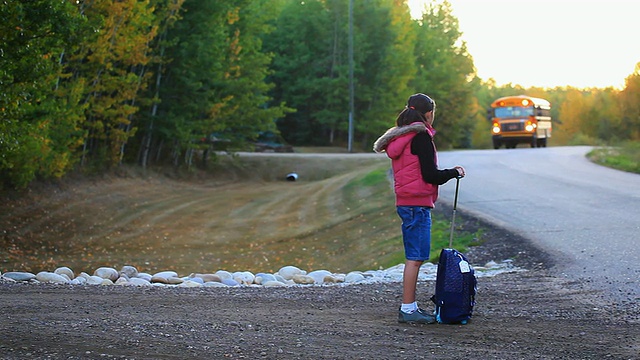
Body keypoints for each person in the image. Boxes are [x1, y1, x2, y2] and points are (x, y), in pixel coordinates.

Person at [373, 93, 465, 324]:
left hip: (407, 201)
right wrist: (454, 172)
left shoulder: (400, 137)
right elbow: (430, 174)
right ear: (428, 113)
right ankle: (408, 308)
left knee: (415, 257)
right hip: (417, 204)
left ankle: (409, 306)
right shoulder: (421, 137)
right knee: (415, 258)